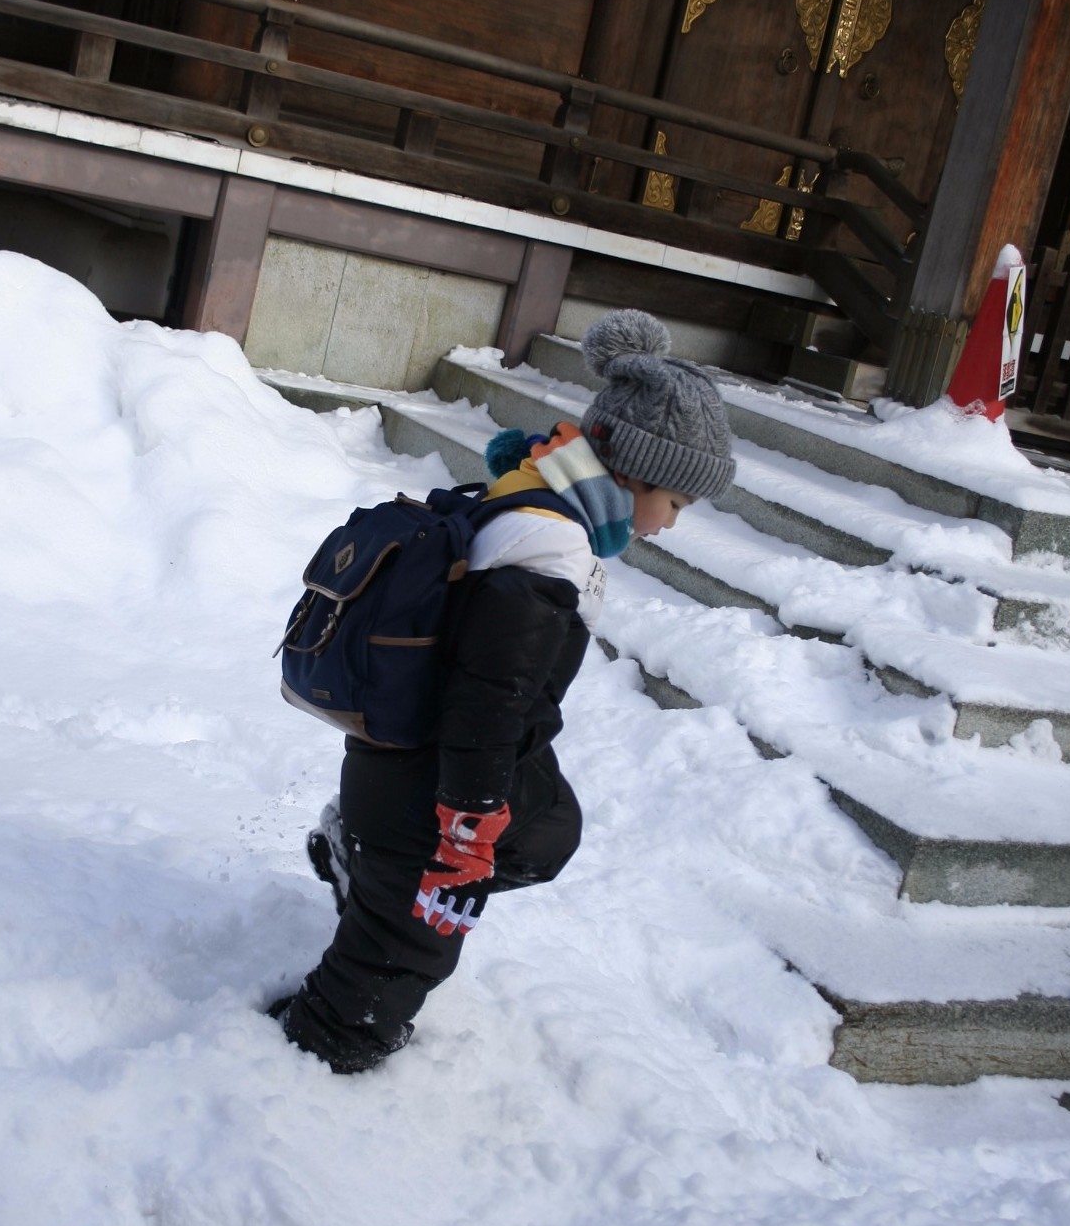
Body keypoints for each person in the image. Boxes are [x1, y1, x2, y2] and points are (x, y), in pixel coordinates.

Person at [268, 307, 736, 1073]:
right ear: (632, 473)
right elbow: (490, 698)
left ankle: (362, 848)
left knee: (548, 828)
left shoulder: (528, 501)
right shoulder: (548, 547)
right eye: (677, 504)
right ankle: (313, 1057)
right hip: (434, 780)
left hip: (411, 762)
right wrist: (469, 819)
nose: (673, 525)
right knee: (402, 953)